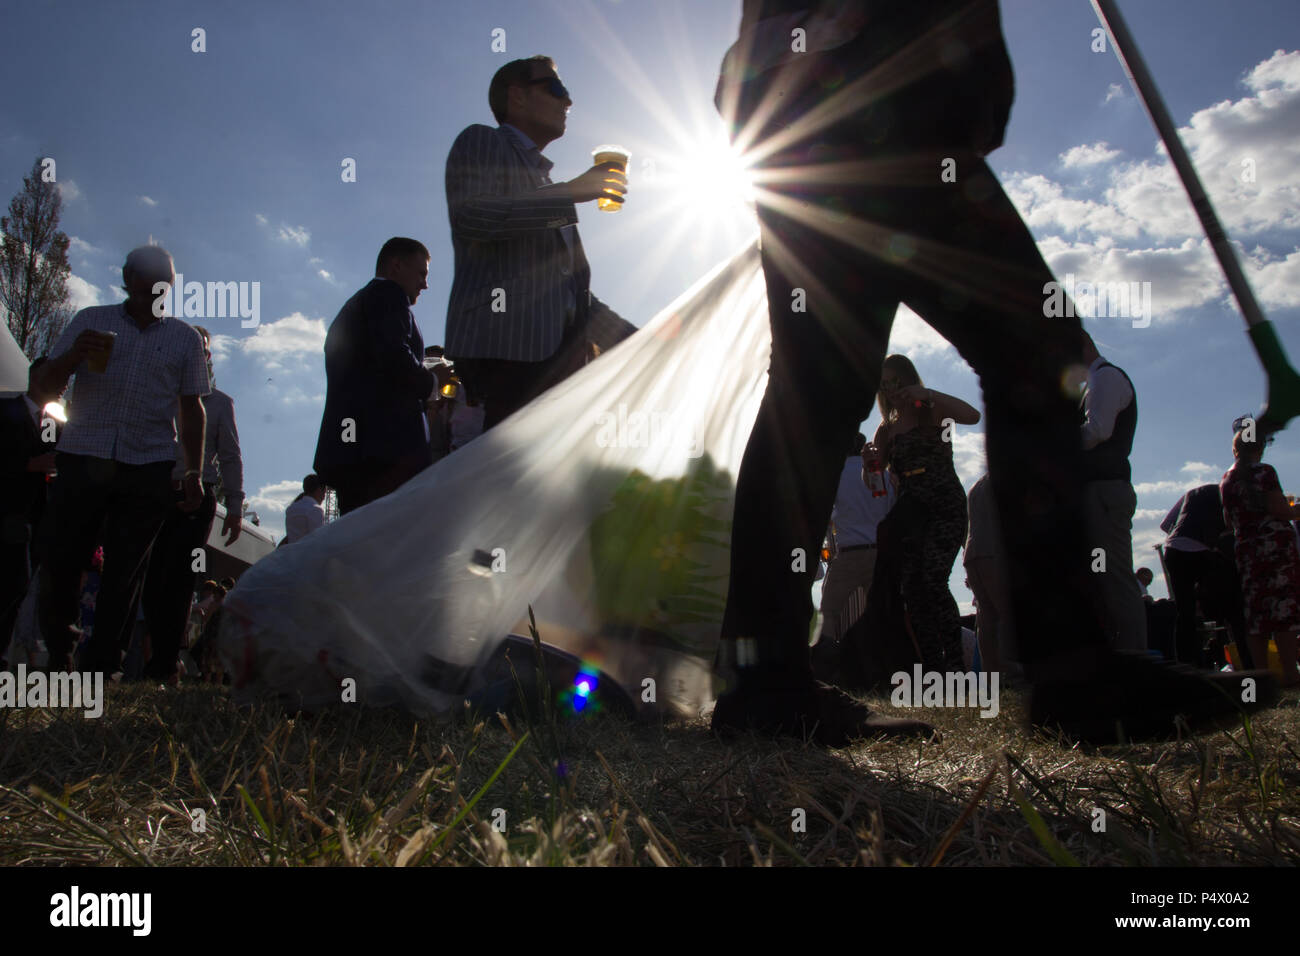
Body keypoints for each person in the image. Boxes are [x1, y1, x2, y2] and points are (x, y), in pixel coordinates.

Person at [709, 0, 1272, 745]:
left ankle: (765, 683)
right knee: (1031, 348)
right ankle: (1070, 672)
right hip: (871, 93)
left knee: (818, 389)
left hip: (815, 107)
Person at [34, 244, 208, 675]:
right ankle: (60, 653)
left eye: (162, 283)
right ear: (127, 279)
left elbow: (192, 407)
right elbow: (43, 388)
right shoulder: (91, 321)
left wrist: (192, 471)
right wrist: (73, 357)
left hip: (146, 463)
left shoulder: (183, 338)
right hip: (83, 453)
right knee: (63, 559)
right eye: (146, 281)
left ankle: (103, 667)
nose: (153, 290)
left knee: (126, 570)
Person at [443, 55, 636, 431]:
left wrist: (642, 342)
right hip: (508, 355)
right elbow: (473, 217)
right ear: (517, 97)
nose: (568, 101)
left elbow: (573, 297)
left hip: (563, 369)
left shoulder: (549, 186)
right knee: (509, 481)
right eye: (556, 88)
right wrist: (569, 194)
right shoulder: (482, 140)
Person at [139, 324, 244, 681]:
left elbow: (230, 455)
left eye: (199, 348)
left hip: (196, 497)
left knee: (182, 575)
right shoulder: (159, 397)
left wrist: (235, 507)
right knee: (152, 577)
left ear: (207, 356)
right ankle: (157, 655)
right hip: (156, 492)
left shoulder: (218, 403)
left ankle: (167, 660)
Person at [870, 355, 980, 672]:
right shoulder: (886, 431)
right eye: (885, 385)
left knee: (934, 578)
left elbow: (972, 415)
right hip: (911, 510)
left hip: (944, 500)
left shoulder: (932, 410)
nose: (892, 389)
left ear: (909, 379)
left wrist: (928, 394)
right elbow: (877, 483)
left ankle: (957, 665)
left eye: (897, 381)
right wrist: (870, 467)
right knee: (913, 589)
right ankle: (933, 668)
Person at [313, 238, 438, 515]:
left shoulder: (355, 307)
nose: (425, 284)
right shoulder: (388, 295)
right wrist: (433, 382)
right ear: (396, 266)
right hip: (385, 454)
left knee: (359, 548)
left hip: (354, 454)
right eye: (422, 273)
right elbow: (394, 356)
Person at [1078, 331, 1146, 651]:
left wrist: (1052, 444)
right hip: (1100, 492)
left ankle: (1133, 659)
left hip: (1104, 492)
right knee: (1105, 580)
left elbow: (1097, 431)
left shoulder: (1105, 379)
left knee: (1115, 579)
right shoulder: (1095, 383)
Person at [1220, 424, 1300, 686]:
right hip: (1274, 547)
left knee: (1257, 615)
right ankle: (1290, 675)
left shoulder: (1226, 479)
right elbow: (1279, 510)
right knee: (1283, 612)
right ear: (1260, 448)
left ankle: (1262, 677)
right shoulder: (1264, 472)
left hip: (1247, 550)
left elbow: (1228, 521)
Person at [0, 357, 61, 657]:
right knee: (13, 582)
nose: (63, 384)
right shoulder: (6, 410)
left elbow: (50, 456)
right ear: (36, 378)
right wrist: (28, 464)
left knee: (19, 589)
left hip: (37, 518)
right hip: (8, 510)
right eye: (56, 376)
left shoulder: (51, 423)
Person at [816, 431, 895, 646]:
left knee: (829, 614)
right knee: (882, 613)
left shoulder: (836, 475)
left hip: (849, 553)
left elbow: (825, 512)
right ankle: (886, 665)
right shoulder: (883, 474)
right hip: (881, 553)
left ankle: (826, 664)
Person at [1161, 483, 1251, 668]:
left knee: (1184, 610)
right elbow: (1229, 526)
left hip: (1173, 548)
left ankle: (1185, 663)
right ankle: (1247, 660)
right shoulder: (1226, 492)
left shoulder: (1192, 492)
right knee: (1234, 607)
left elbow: (1165, 526)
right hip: (1198, 549)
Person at [964, 470, 1015, 677]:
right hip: (993, 550)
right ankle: (1013, 673)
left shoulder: (978, 486)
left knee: (986, 616)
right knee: (1008, 612)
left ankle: (993, 674)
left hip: (974, 553)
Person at [284, 474, 327, 544]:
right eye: (324, 493)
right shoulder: (315, 509)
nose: (324, 497)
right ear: (319, 490)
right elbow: (318, 540)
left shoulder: (291, 508)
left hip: (292, 552)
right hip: (307, 553)